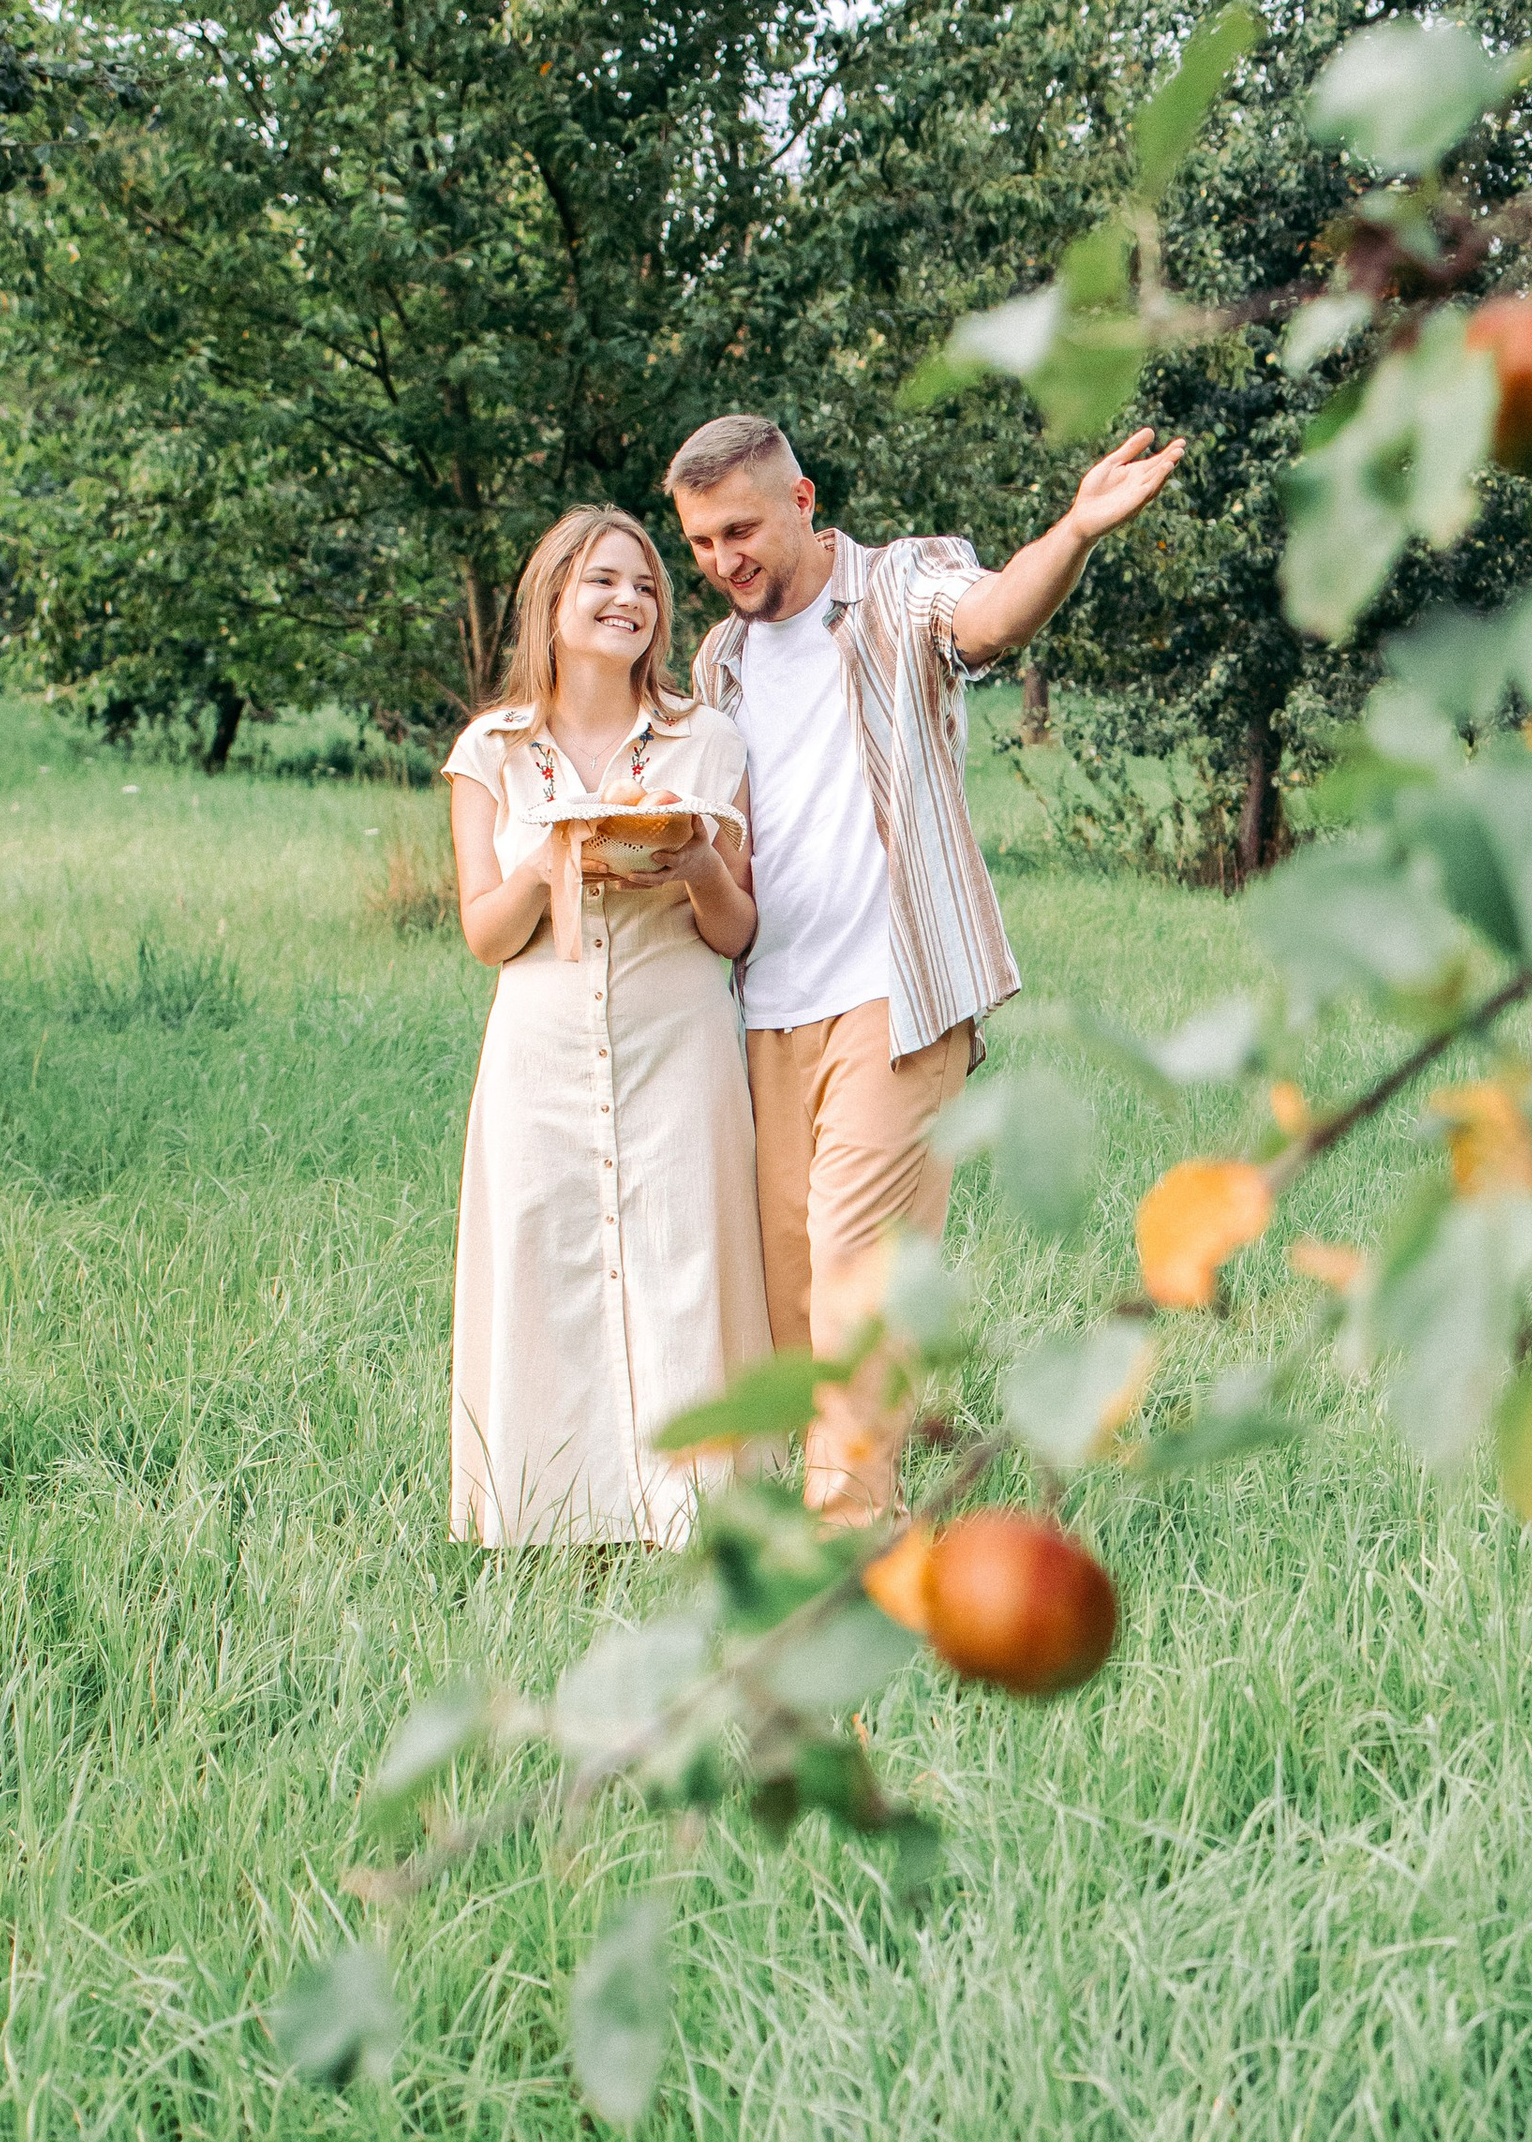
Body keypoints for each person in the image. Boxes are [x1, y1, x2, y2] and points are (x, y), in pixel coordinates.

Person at [665, 413, 1183, 1518]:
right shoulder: (719, 663)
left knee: (859, 1287)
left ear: (802, 504)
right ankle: (874, 1518)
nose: (722, 562)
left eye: (740, 530)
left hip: (893, 1002)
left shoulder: (899, 585)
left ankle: (837, 1557)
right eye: (701, 543)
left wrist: (1074, 532)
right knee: (797, 1300)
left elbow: (988, 618)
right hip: (768, 1011)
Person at [444, 505, 765, 1549]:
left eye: (646, 586)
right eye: (604, 582)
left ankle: (696, 1514)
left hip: (677, 1039)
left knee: (687, 1263)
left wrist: (698, 861)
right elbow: (486, 936)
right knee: (541, 1261)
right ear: (554, 601)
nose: (630, 600)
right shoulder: (491, 751)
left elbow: (734, 930)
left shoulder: (705, 741)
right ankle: (547, 1516)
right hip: (537, 1049)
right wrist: (550, 859)